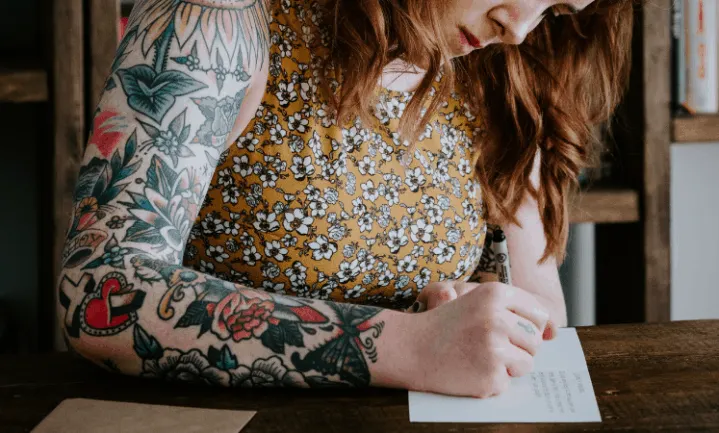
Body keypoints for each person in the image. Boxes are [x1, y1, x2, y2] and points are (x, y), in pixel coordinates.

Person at [57, 0, 632, 398]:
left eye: (556, 9)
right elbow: (103, 289)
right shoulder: (219, 19)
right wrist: (411, 346)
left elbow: (544, 316)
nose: (520, 27)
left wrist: (478, 313)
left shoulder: (500, 73)